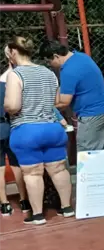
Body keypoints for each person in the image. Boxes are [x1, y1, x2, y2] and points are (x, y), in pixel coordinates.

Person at [2, 36, 74, 224]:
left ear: (13, 52)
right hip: (52, 128)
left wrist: (6, 106)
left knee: (32, 173)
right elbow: (55, 101)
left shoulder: (15, 75)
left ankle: (38, 215)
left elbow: (13, 105)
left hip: (27, 130)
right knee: (58, 169)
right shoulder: (48, 72)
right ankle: (67, 208)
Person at [40, 41, 104, 151]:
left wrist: (43, 106)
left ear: (56, 56)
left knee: (86, 154)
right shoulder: (82, 57)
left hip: (92, 115)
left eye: (49, 62)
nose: (50, 66)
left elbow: (64, 102)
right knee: (102, 154)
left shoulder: (68, 70)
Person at [0, 63, 30, 216]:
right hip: (10, 126)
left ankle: (4, 204)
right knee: (15, 163)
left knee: (0, 166)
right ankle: (24, 200)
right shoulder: (8, 85)